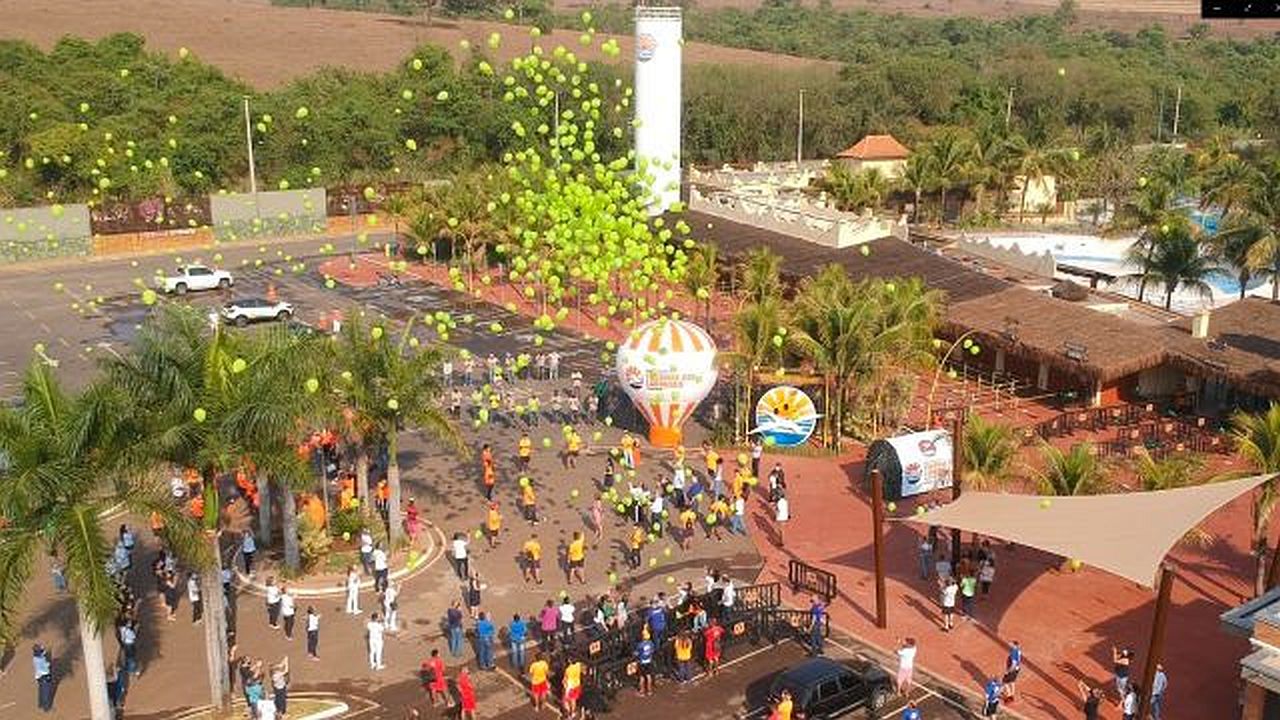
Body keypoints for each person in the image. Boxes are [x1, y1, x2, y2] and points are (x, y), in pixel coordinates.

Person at [33, 643, 54, 712]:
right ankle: (46, 708)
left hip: (39, 677)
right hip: (44, 676)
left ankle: (40, 704)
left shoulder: (37, 657)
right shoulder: (39, 659)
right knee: (46, 692)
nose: (43, 650)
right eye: (41, 650)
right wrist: (48, 664)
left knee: (41, 691)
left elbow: (44, 653)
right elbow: (42, 669)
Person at [634, 629, 655, 696]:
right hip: (649, 661)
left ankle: (642, 691)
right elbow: (652, 651)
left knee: (642, 677)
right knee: (649, 676)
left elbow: (636, 653)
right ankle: (649, 691)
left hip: (642, 662)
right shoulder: (651, 643)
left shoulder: (640, 645)